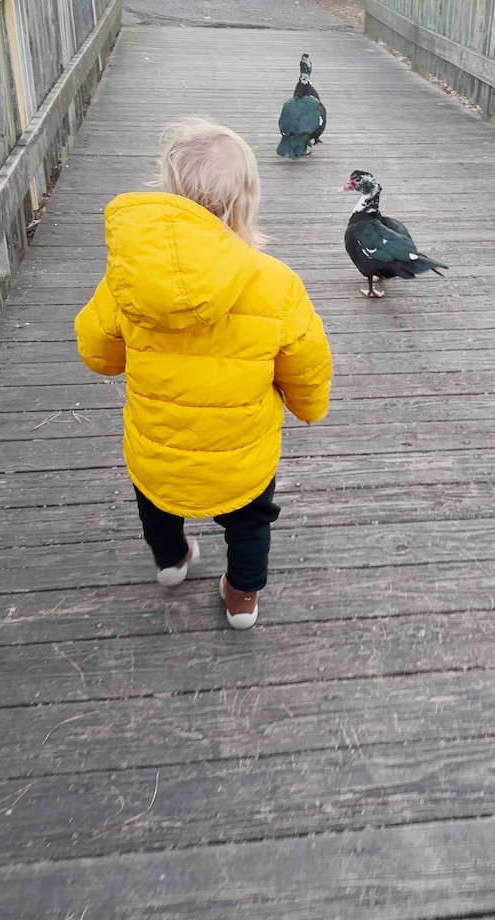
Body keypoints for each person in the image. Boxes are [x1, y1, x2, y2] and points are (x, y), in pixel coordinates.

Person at [74, 119, 332, 630]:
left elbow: (98, 353)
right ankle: (242, 598)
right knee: (251, 520)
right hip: (241, 454)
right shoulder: (276, 284)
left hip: (158, 446)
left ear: (167, 194)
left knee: (157, 502)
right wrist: (308, 406)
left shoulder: (126, 282)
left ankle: (171, 563)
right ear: (244, 203)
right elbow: (306, 361)